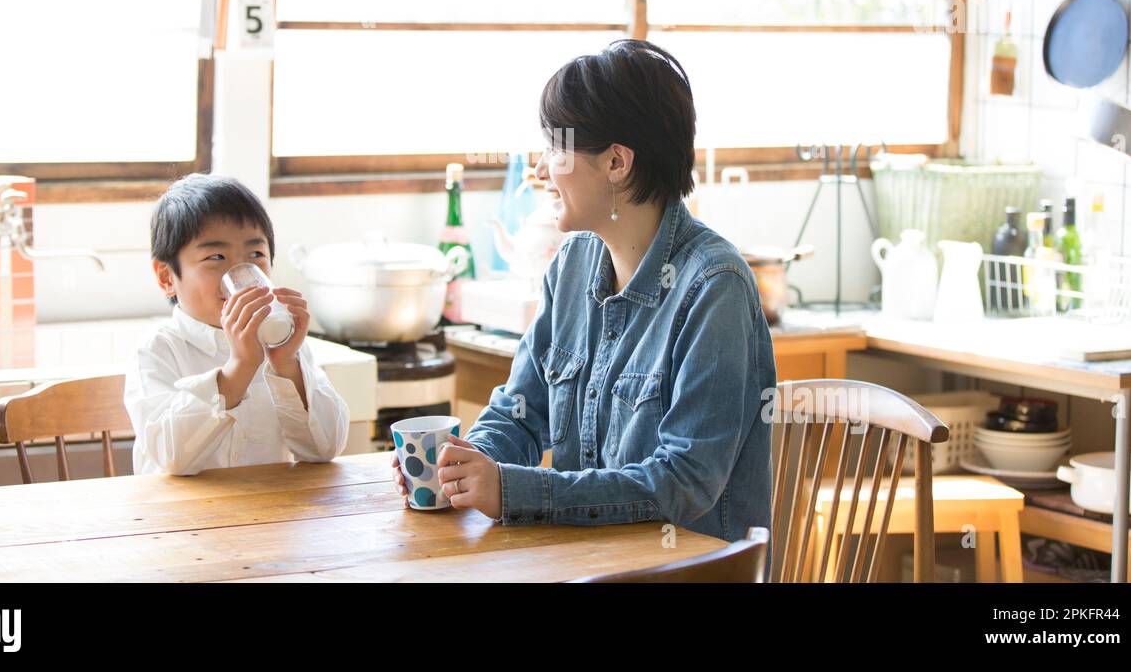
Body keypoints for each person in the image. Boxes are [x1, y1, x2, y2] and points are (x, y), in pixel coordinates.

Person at [393, 39, 775, 542]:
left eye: (555, 149)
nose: (539, 170)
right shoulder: (571, 265)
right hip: (585, 562)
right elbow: (521, 413)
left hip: (681, 572)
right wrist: (465, 466)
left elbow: (684, 482)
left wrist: (514, 491)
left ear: (617, 163)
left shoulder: (714, 287)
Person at [125, 173, 348, 475]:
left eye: (256, 255)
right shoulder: (159, 349)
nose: (240, 272)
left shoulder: (286, 347)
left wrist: (287, 367)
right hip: (183, 519)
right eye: (216, 256)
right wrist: (240, 367)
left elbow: (325, 449)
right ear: (167, 278)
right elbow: (172, 457)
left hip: (268, 515)